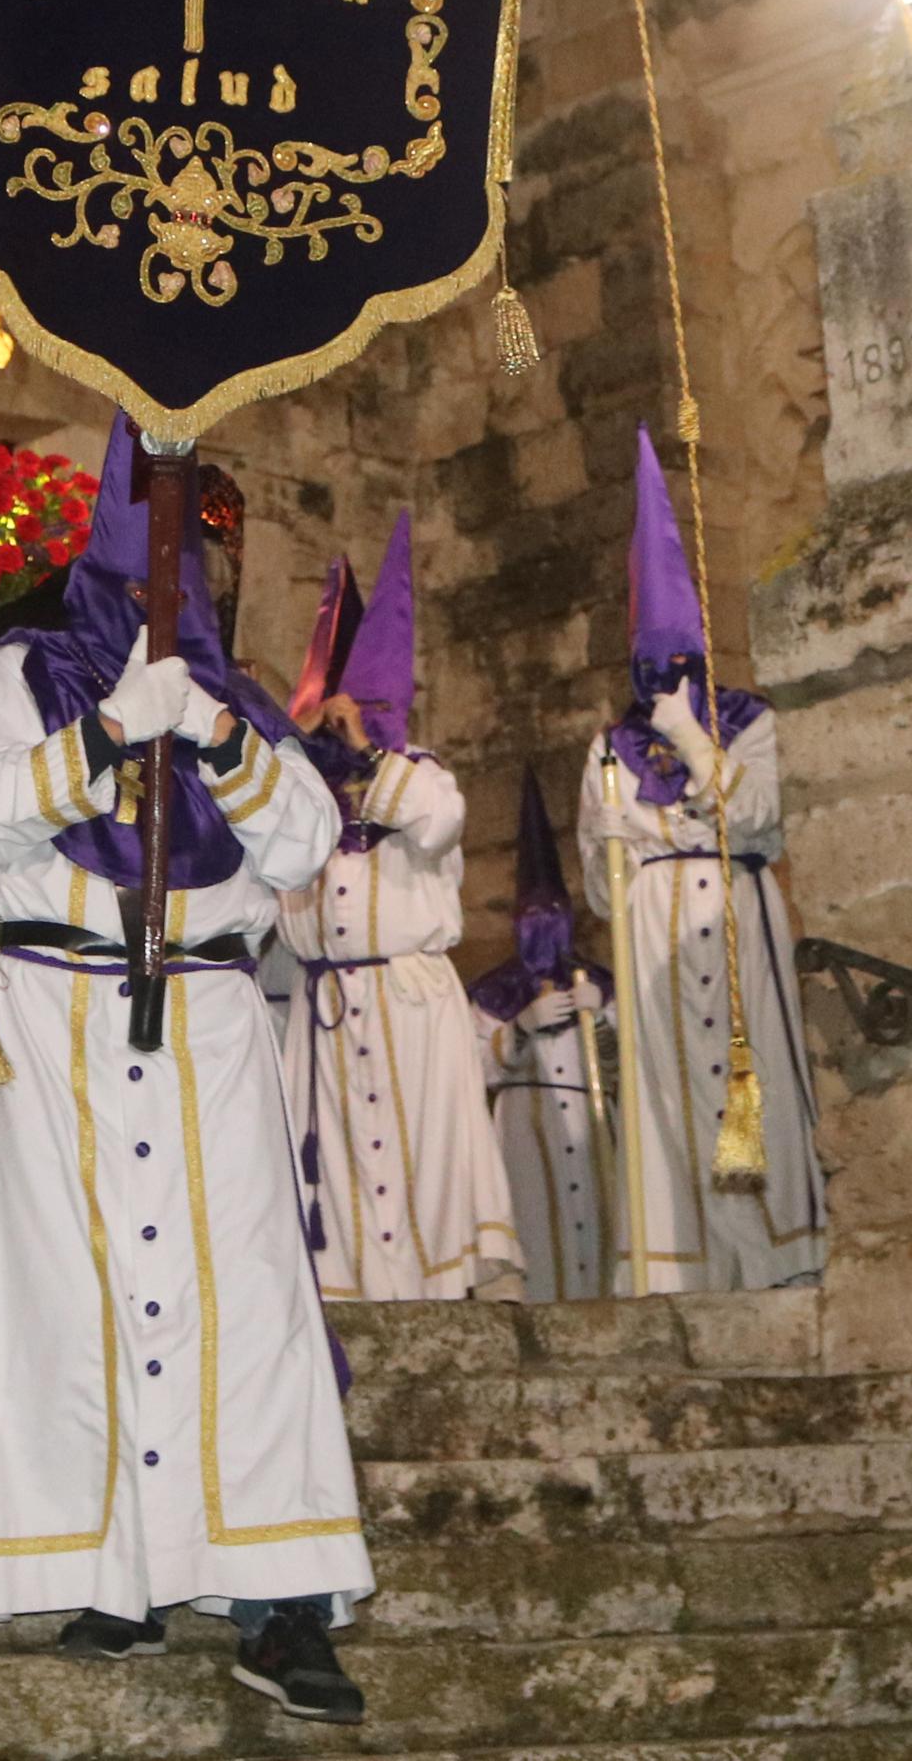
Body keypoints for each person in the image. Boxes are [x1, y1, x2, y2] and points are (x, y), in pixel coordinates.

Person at [0, 411, 367, 1723]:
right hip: (50, 1016)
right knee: (72, 1309)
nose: (171, 597)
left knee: (247, 1311)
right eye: (149, 574)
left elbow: (304, 839)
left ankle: (282, 1601)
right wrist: (106, 735)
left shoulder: (230, 689)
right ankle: (109, 1565)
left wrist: (224, 743)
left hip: (205, 1025)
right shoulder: (19, 671)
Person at [579, 426, 824, 1294]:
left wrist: (689, 740)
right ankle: (678, 1264)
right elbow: (596, 882)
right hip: (650, 935)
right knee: (666, 1095)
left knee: (748, 1081)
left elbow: (756, 815)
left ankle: (771, 1253)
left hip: (734, 918)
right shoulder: (610, 746)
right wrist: (618, 843)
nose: (663, 675)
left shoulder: (750, 721)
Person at [279, 512, 518, 1303]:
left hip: (408, 1003)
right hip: (326, 1009)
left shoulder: (420, 776)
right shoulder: (304, 797)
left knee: (424, 1156)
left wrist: (371, 750)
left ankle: (441, 1292)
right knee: (339, 1169)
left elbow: (438, 821)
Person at [470, 769, 614, 1303]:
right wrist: (519, 1029)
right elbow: (472, 1069)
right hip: (524, 1136)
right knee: (535, 1230)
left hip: (591, 1121)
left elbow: (630, 1068)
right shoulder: (492, 992)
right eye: (533, 918)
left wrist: (603, 1016)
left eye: (553, 916)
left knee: (603, 1227)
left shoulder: (598, 983)